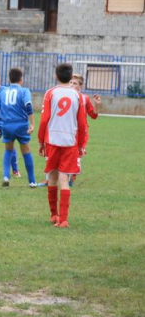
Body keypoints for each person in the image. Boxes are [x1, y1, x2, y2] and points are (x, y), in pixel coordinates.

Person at [38, 63, 87, 228]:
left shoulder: (50, 93)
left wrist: (40, 141)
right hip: (70, 141)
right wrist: (81, 145)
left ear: (56, 76)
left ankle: (54, 215)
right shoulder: (78, 96)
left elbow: (44, 119)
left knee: (52, 176)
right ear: (71, 76)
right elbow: (82, 123)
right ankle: (63, 219)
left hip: (52, 140)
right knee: (64, 178)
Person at [0, 68, 37, 188]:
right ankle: (32, 181)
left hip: (7, 126)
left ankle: (6, 176)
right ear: (21, 79)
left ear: (9, 79)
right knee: (26, 151)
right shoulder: (24, 91)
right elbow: (28, 106)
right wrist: (32, 124)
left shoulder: (3, 92)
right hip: (21, 125)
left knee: (8, 150)